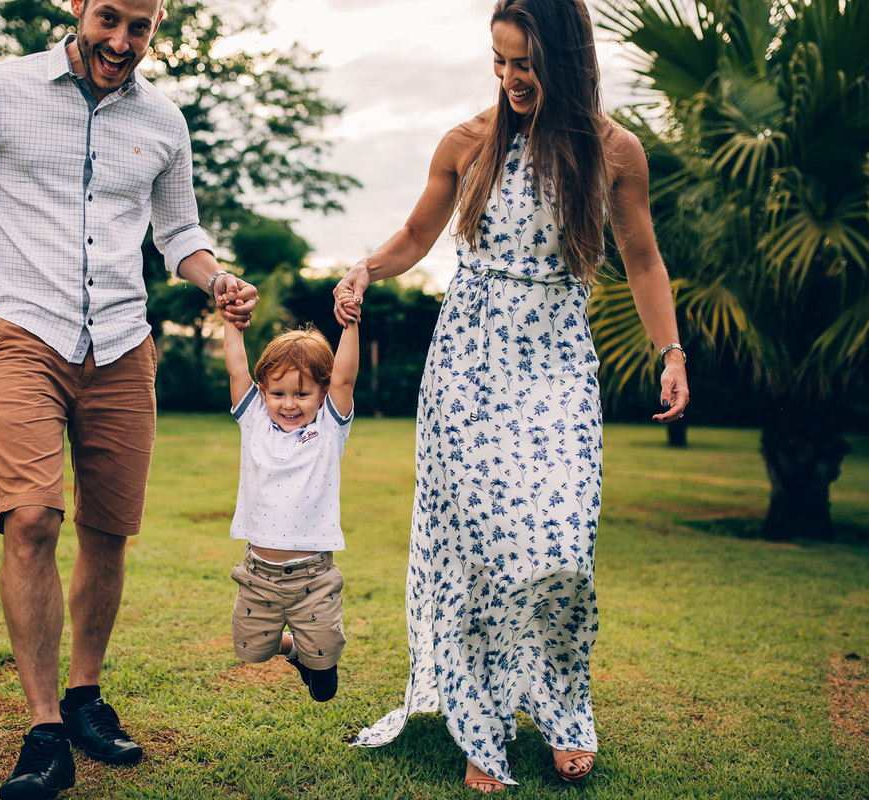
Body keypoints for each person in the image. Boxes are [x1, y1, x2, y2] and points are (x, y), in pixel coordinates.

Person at [0, 1, 257, 798]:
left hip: (124, 343)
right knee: (31, 517)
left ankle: (85, 697)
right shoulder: (0, 91)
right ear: (77, 7)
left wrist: (217, 278)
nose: (121, 42)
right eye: (109, 20)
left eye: (141, 28)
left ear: (157, 28)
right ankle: (44, 730)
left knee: (108, 531)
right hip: (24, 328)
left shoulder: (164, 121)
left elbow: (179, 234)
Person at [334, 0, 689, 791]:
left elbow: (642, 261)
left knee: (562, 541)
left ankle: (565, 709)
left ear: (564, 58)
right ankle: (480, 720)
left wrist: (672, 350)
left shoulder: (614, 151)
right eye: (498, 61)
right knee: (479, 553)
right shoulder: (468, 141)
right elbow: (417, 235)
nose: (509, 78)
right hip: (469, 358)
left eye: (524, 63)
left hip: (557, 356)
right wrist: (366, 268)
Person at [221, 306, 359, 702]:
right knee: (252, 650)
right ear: (263, 392)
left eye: (302, 393)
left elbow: (346, 377)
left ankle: (314, 653)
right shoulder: (254, 421)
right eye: (278, 393)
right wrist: (231, 326)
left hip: (313, 575)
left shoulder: (329, 429)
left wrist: (349, 325)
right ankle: (293, 649)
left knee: (324, 676)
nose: (289, 404)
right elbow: (236, 371)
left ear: (322, 391)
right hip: (257, 573)